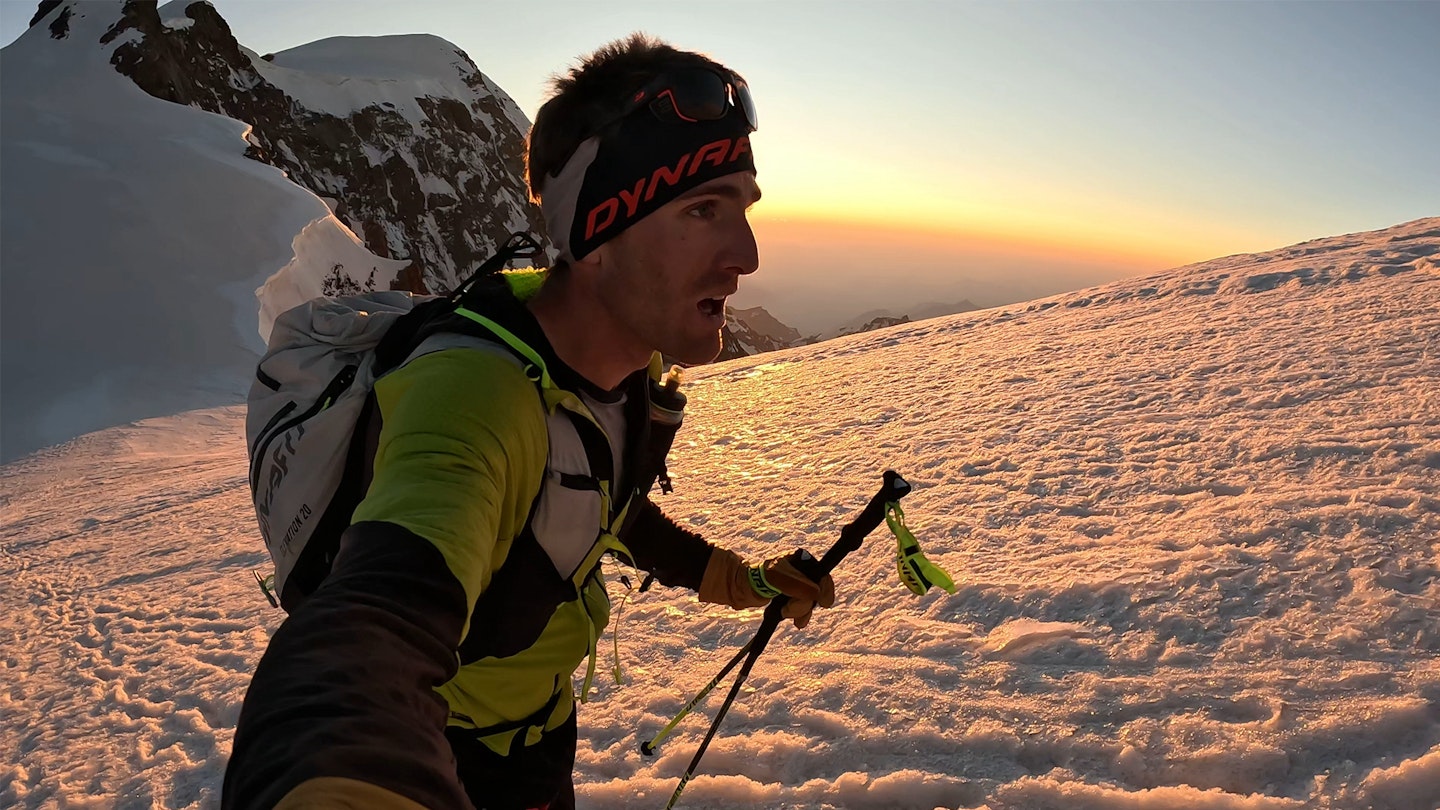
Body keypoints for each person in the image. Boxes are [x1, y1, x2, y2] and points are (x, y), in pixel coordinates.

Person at [223, 33, 835, 810]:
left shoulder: (619, 377)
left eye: (742, 208)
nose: (744, 255)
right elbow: (378, 614)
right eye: (702, 210)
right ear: (597, 232)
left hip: (541, 739)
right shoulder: (476, 395)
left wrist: (743, 582)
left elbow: (608, 508)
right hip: (453, 760)